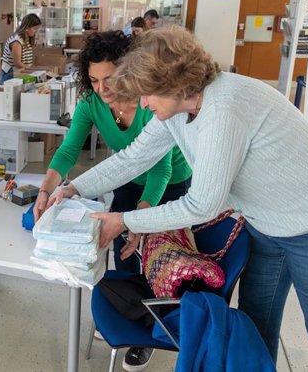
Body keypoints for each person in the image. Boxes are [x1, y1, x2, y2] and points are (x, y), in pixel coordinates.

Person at [48, 26, 308, 368]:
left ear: (174, 83)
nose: (144, 103)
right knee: (254, 326)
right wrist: (73, 188)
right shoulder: (176, 109)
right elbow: (133, 158)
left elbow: (202, 204)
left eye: (149, 94)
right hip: (266, 223)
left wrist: (124, 220)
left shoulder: (224, 108)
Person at [32, 30, 191, 372]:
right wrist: (46, 189)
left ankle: (153, 329)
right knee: (121, 251)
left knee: (154, 255)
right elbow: (69, 149)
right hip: (126, 180)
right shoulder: (91, 104)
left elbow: (159, 169)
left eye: (110, 79)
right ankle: (131, 315)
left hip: (171, 184)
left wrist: (142, 219)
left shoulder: (148, 102)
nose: (102, 88)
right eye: (93, 80)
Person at [0, 13, 41, 83]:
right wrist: (32, 69)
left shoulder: (27, 38)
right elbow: (17, 63)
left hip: (21, 73)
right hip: (10, 75)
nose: (36, 31)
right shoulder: (17, 40)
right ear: (27, 27)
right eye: (34, 29)